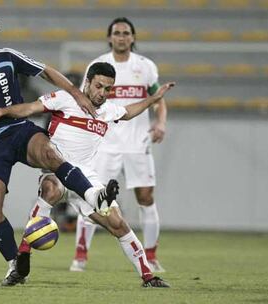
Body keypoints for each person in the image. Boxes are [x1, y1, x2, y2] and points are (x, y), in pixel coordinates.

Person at [0, 16, 116, 287]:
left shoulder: (7, 57)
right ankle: (15, 264)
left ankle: (93, 197)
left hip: (19, 130)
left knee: (51, 155)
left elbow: (47, 71)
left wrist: (76, 92)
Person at [0, 62, 175, 287]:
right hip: (56, 166)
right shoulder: (66, 99)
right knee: (51, 189)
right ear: (87, 82)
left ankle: (148, 276)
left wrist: (155, 98)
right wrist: (0, 112)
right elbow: (30, 108)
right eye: (99, 86)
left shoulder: (108, 110)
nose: (102, 93)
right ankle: (23, 257)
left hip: (86, 175)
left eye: (107, 89)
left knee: (118, 224)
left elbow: (128, 112)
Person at [68, 17, 169, 273]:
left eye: (126, 33)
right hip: (106, 145)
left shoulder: (145, 67)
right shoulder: (98, 65)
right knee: (93, 199)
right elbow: (84, 100)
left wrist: (160, 123)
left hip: (138, 143)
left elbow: (157, 99)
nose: (121, 37)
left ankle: (151, 256)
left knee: (146, 198)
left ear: (133, 37)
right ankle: (80, 256)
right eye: (117, 33)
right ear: (110, 37)